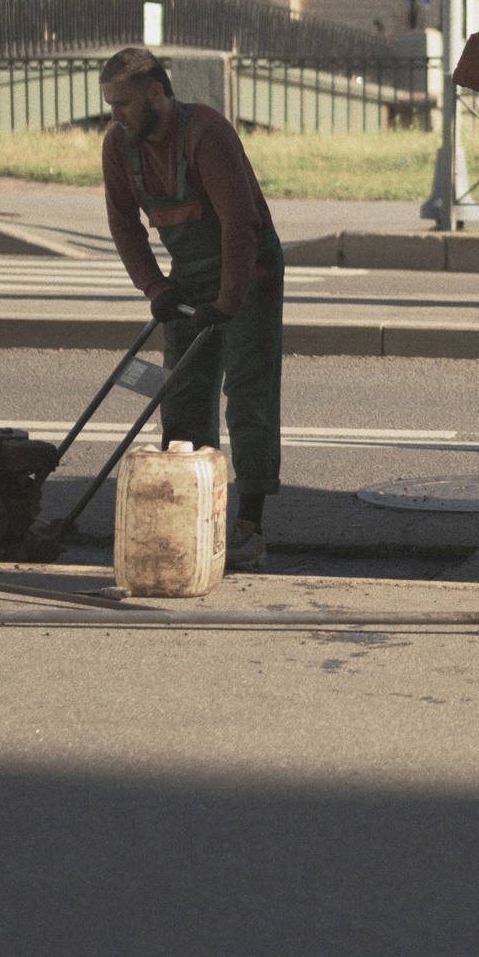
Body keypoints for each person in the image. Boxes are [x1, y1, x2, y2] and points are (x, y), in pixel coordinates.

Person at [100, 46, 283, 571]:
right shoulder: (120, 146)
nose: (116, 116)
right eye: (110, 105)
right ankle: (193, 507)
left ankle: (249, 524)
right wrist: (155, 287)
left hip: (249, 271)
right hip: (189, 274)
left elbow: (239, 224)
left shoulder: (206, 133)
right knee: (181, 393)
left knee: (248, 391)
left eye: (125, 104)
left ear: (157, 94)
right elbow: (124, 224)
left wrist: (227, 301)